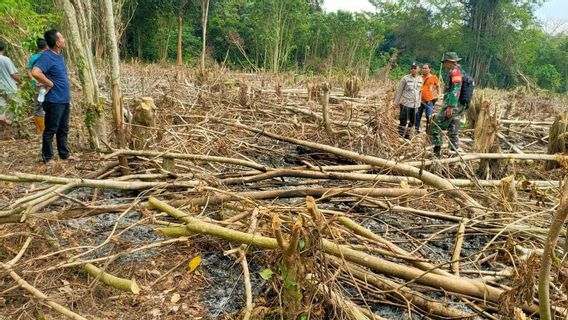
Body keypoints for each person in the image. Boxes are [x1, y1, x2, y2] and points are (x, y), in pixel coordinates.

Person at [31, 29, 77, 165]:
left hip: (63, 99)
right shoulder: (47, 56)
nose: (64, 40)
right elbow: (35, 72)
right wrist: (49, 83)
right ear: (57, 42)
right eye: (62, 38)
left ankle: (64, 154)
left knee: (63, 128)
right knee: (51, 129)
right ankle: (48, 157)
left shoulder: (59, 57)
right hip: (53, 100)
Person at [429, 52, 465, 158]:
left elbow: (456, 89)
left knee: (436, 127)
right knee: (453, 130)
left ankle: (437, 152)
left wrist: (451, 106)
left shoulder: (455, 72)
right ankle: (453, 155)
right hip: (458, 106)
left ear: (450, 62)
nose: (444, 64)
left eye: (445, 62)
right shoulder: (459, 71)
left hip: (453, 106)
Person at [394, 63, 422, 139]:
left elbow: (420, 92)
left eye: (415, 68)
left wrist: (419, 103)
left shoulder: (420, 79)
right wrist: (396, 102)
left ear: (418, 69)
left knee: (412, 121)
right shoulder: (405, 78)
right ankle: (400, 135)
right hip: (405, 103)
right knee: (403, 120)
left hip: (415, 104)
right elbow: (399, 91)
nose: (413, 69)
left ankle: (407, 135)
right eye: (412, 68)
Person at [28, 38, 48, 134]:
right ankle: (44, 129)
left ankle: (40, 130)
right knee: (47, 105)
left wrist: (34, 80)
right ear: (47, 45)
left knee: (38, 106)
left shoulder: (33, 58)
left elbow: (30, 71)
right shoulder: (49, 57)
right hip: (47, 85)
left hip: (37, 85)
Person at [0, 41, 21, 127]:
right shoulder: (6, 60)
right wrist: (21, 81)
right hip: (10, 88)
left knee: (1, 109)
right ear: (3, 49)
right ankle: (12, 127)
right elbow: (13, 75)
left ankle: (5, 127)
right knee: (15, 108)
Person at [415, 63, 440, 134]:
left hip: (429, 101)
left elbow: (438, 86)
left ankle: (428, 131)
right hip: (420, 100)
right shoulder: (419, 77)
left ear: (430, 69)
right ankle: (416, 129)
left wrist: (438, 95)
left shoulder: (434, 77)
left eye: (426, 68)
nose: (424, 70)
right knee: (417, 116)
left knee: (429, 116)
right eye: (423, 68)